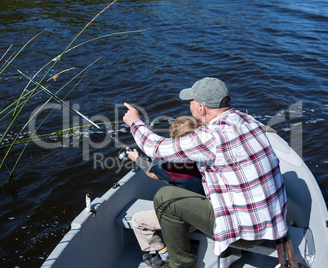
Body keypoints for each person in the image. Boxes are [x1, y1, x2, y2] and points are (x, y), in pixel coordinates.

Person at [123, 77, 288, 268]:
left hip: (247, 235)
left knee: (165, 197)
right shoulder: (247, 120)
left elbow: (155, 147)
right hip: (274, 223)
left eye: (192, 102)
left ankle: (180, 264)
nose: (190, 106)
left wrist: (134, 121)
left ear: (201, 108)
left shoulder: (212, 137)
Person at [126, 116, 205, 268]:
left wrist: (136, 158)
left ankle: (162, 253)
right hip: (205, 215)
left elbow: (152, 172)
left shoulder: (174, 167)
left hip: (188, 221)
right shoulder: (206, 158)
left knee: (138, 221)